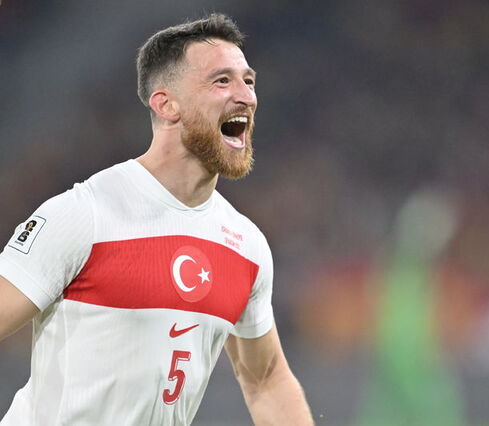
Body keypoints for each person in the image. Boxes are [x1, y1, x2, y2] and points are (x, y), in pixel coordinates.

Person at [0, 13, 314, 425]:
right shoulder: (85, 214)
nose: (246, 96)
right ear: (166, 105)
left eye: (249, 81)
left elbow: (266, 380)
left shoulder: (246, 245)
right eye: (222, 81)